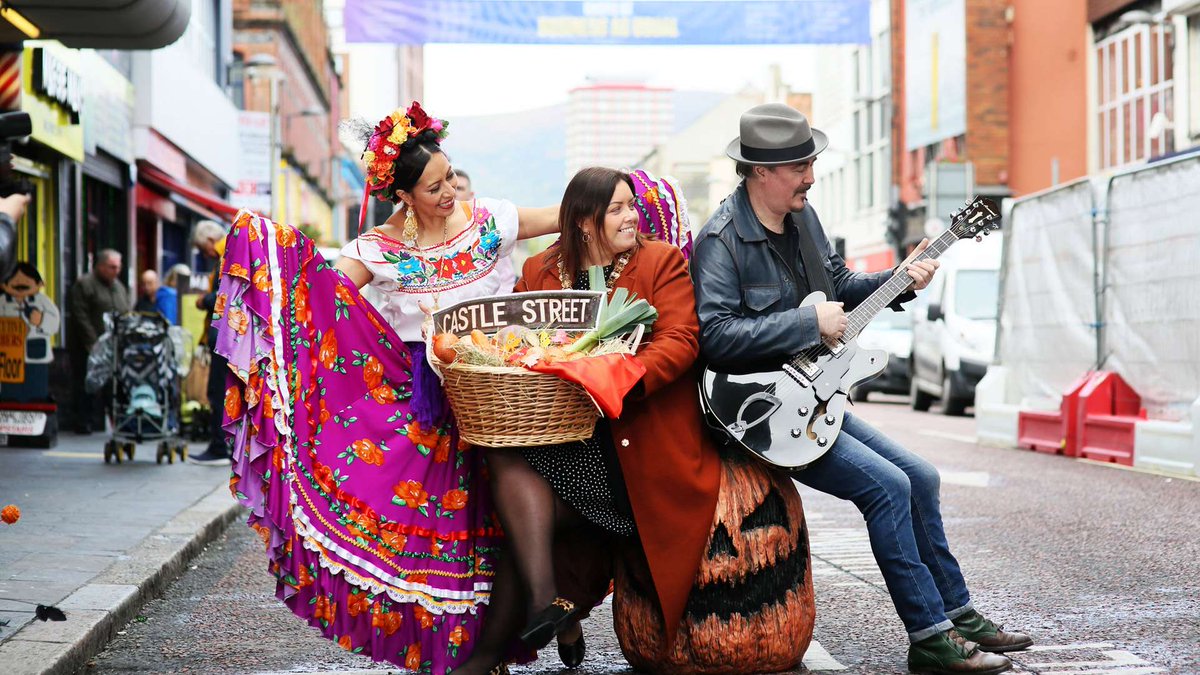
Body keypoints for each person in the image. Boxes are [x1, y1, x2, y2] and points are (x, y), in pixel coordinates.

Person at [212, 101, 559, 675]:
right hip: (426, 403)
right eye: (434, 187)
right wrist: (269, 254)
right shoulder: (376, 249)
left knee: (510, 521)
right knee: (448, 532)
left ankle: (537, 622)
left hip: (502, 394)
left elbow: (563, 218)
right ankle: (466, 654)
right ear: (402, 195)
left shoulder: (492, 219)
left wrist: (618, 199)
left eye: (450, 177)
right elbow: (317, 299)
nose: (450, 193)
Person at [690, 103, 1031, 675]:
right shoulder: (720, 240)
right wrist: (807, 324)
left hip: (815, 394)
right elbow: (715, 337)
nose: (811, 176)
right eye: (800, 166)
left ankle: (959, 613)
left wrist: (903, 277)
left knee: (921, 477)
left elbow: (843, 288)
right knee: (888, 489)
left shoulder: (804, 220)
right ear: (760, 172)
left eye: (812, 163)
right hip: (762, 414)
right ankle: (929, 638)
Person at [449, 167, 721, 675]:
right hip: (563, 438)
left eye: (630, 205)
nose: (630, 216)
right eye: (615, 208)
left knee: (525, 519)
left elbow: (682, 341)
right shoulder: (538, 272)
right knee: (506, 462)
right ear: (582, 223)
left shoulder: (659, 261)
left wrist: (616, 375)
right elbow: (520, 346)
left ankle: (525, 624)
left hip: (635, 446)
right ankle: (536, 613)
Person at [66, 249, 130, 434]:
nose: (116, 270)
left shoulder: (119, 286)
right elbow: (80, 316)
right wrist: (94, 344)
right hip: (88, 347)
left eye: (118, 267)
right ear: (100, 266)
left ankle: (115, 421)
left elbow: (125, 312)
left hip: (114, 347)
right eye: (112, 267)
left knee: (113, 386)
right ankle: (83, 422)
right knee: (86, 384)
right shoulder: (85, 284)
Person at [186, 219, 231, 466]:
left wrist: (204, 301)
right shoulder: (232, 252)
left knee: (217, 392)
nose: (205, 254)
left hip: (223, 336)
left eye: (204, 249)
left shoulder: (227, 256)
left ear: (210, 241)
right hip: (229, 336)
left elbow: (226, 294)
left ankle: (218, 447)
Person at [455, 168, 517, 291]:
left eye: (460, 188)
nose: (454, 193)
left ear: (471, 195)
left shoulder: (486, 228)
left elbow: (506, 279)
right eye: (452, 188)